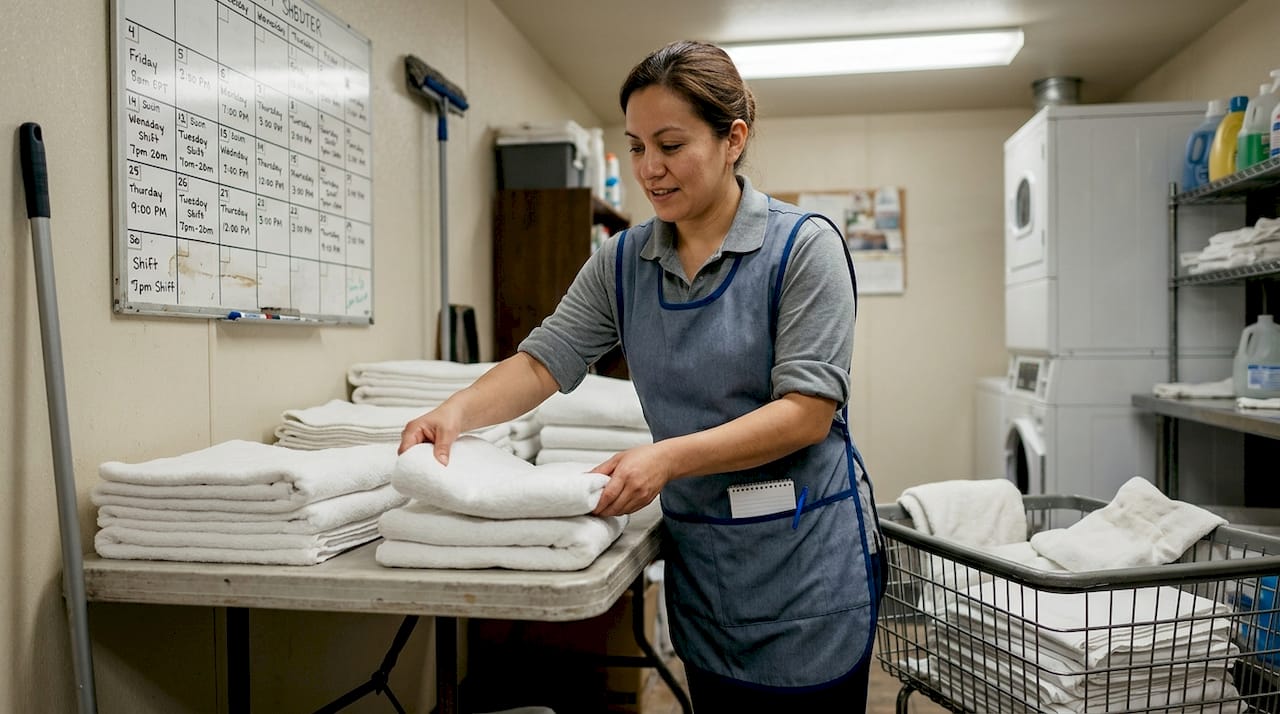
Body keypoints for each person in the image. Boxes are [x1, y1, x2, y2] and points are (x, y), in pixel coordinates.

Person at [400, 39, 884, 711]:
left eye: (670, 145)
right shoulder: (624, 261)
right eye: (635, 148)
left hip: (807, 572)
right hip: (710, 570)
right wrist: (453, 412)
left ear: (732, 139)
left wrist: (664, 459)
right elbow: (545, 361)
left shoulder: (803, 249)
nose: (649, 169)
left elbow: (806, 411)